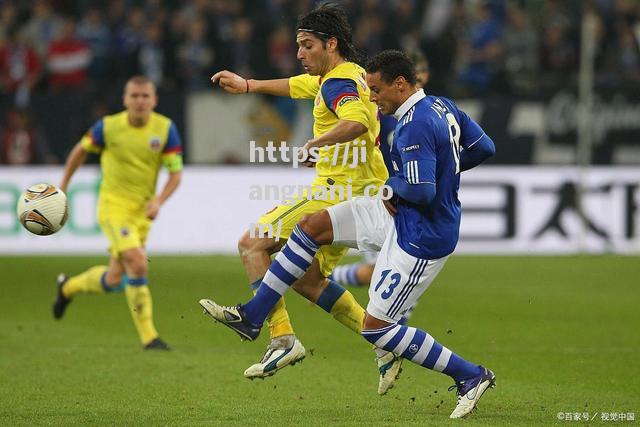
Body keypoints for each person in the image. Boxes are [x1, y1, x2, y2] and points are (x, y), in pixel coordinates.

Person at [199, 50, 496, 419]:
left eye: (376, 90)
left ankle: (470, 375)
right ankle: (254, 316)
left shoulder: (414, 124)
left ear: (400, 84)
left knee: (377, 330)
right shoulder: (442, 105)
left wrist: (397, 186)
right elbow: (484, 147)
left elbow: (421, 192)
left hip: (420, 234)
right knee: (311, 228)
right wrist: (442, 169)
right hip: (393, 210)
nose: (371, 98)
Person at [202, 3, 397, 389]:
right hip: (364, 193)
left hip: (337, 193)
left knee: (252, 244)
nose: (299, 54)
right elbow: (295, 85)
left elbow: (357, 121)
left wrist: (316, 142)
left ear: (331, 43)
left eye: (307, 46)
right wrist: (248, 85)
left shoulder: (338, 85)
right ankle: (386, 341)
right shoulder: (349, 74)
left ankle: (280, 338)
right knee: (306, 279)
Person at [53, 75, 183, 351]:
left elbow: (175, 174)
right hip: (113, 207)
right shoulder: (108, 127)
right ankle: (150, 337)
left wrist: (159, 201)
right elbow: (79, 151)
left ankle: (67, 288)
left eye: (145, 96)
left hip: (143, 211)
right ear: (125, 100)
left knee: (114, 279)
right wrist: (62, 186)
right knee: (137, 262)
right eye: (134, 96)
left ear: (154, 100)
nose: (139, 101)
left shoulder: (165, 129)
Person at [330, 52, 430, 288]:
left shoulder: (422, 114)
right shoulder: (383, 112)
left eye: (424, 76)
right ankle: (323, 280)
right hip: (379, 192)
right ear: (400, 80)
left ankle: (323, 279)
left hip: (401, 196)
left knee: (401, 268)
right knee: (390, 269)